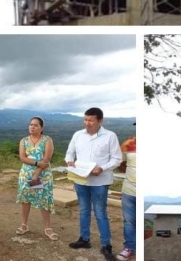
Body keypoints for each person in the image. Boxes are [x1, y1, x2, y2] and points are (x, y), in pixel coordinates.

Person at [66, 107, 122, 260]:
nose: (87, 123)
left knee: (100, 213)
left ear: (100, 121)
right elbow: (70, 152)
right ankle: (84, 239)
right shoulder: (78, 135)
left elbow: (117, 159)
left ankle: (106, 245)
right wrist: (69, 161)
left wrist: (102, 168)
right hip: (81, 179)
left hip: (100, 181)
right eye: (85, 119)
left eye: (91, 120)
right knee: (83, 210)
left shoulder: (110, 136)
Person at [15, 116, 56, 239]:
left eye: (35, 125)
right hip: (26, 174)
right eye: (31, 124)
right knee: (26, 199)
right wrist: (36, 163)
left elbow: (46, 159)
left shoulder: (47, 140)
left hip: (41, 175)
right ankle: (24, 225)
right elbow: (22, 157)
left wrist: (37, 174)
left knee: (43, 199)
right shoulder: (24, 141)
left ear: (41, 128)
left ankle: (48, 228)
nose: (32, 127)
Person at [116, 128, 136, 260]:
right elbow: (120, 163)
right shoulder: (128, 144)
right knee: (129, 221)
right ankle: (130, 247)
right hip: (129, 190)